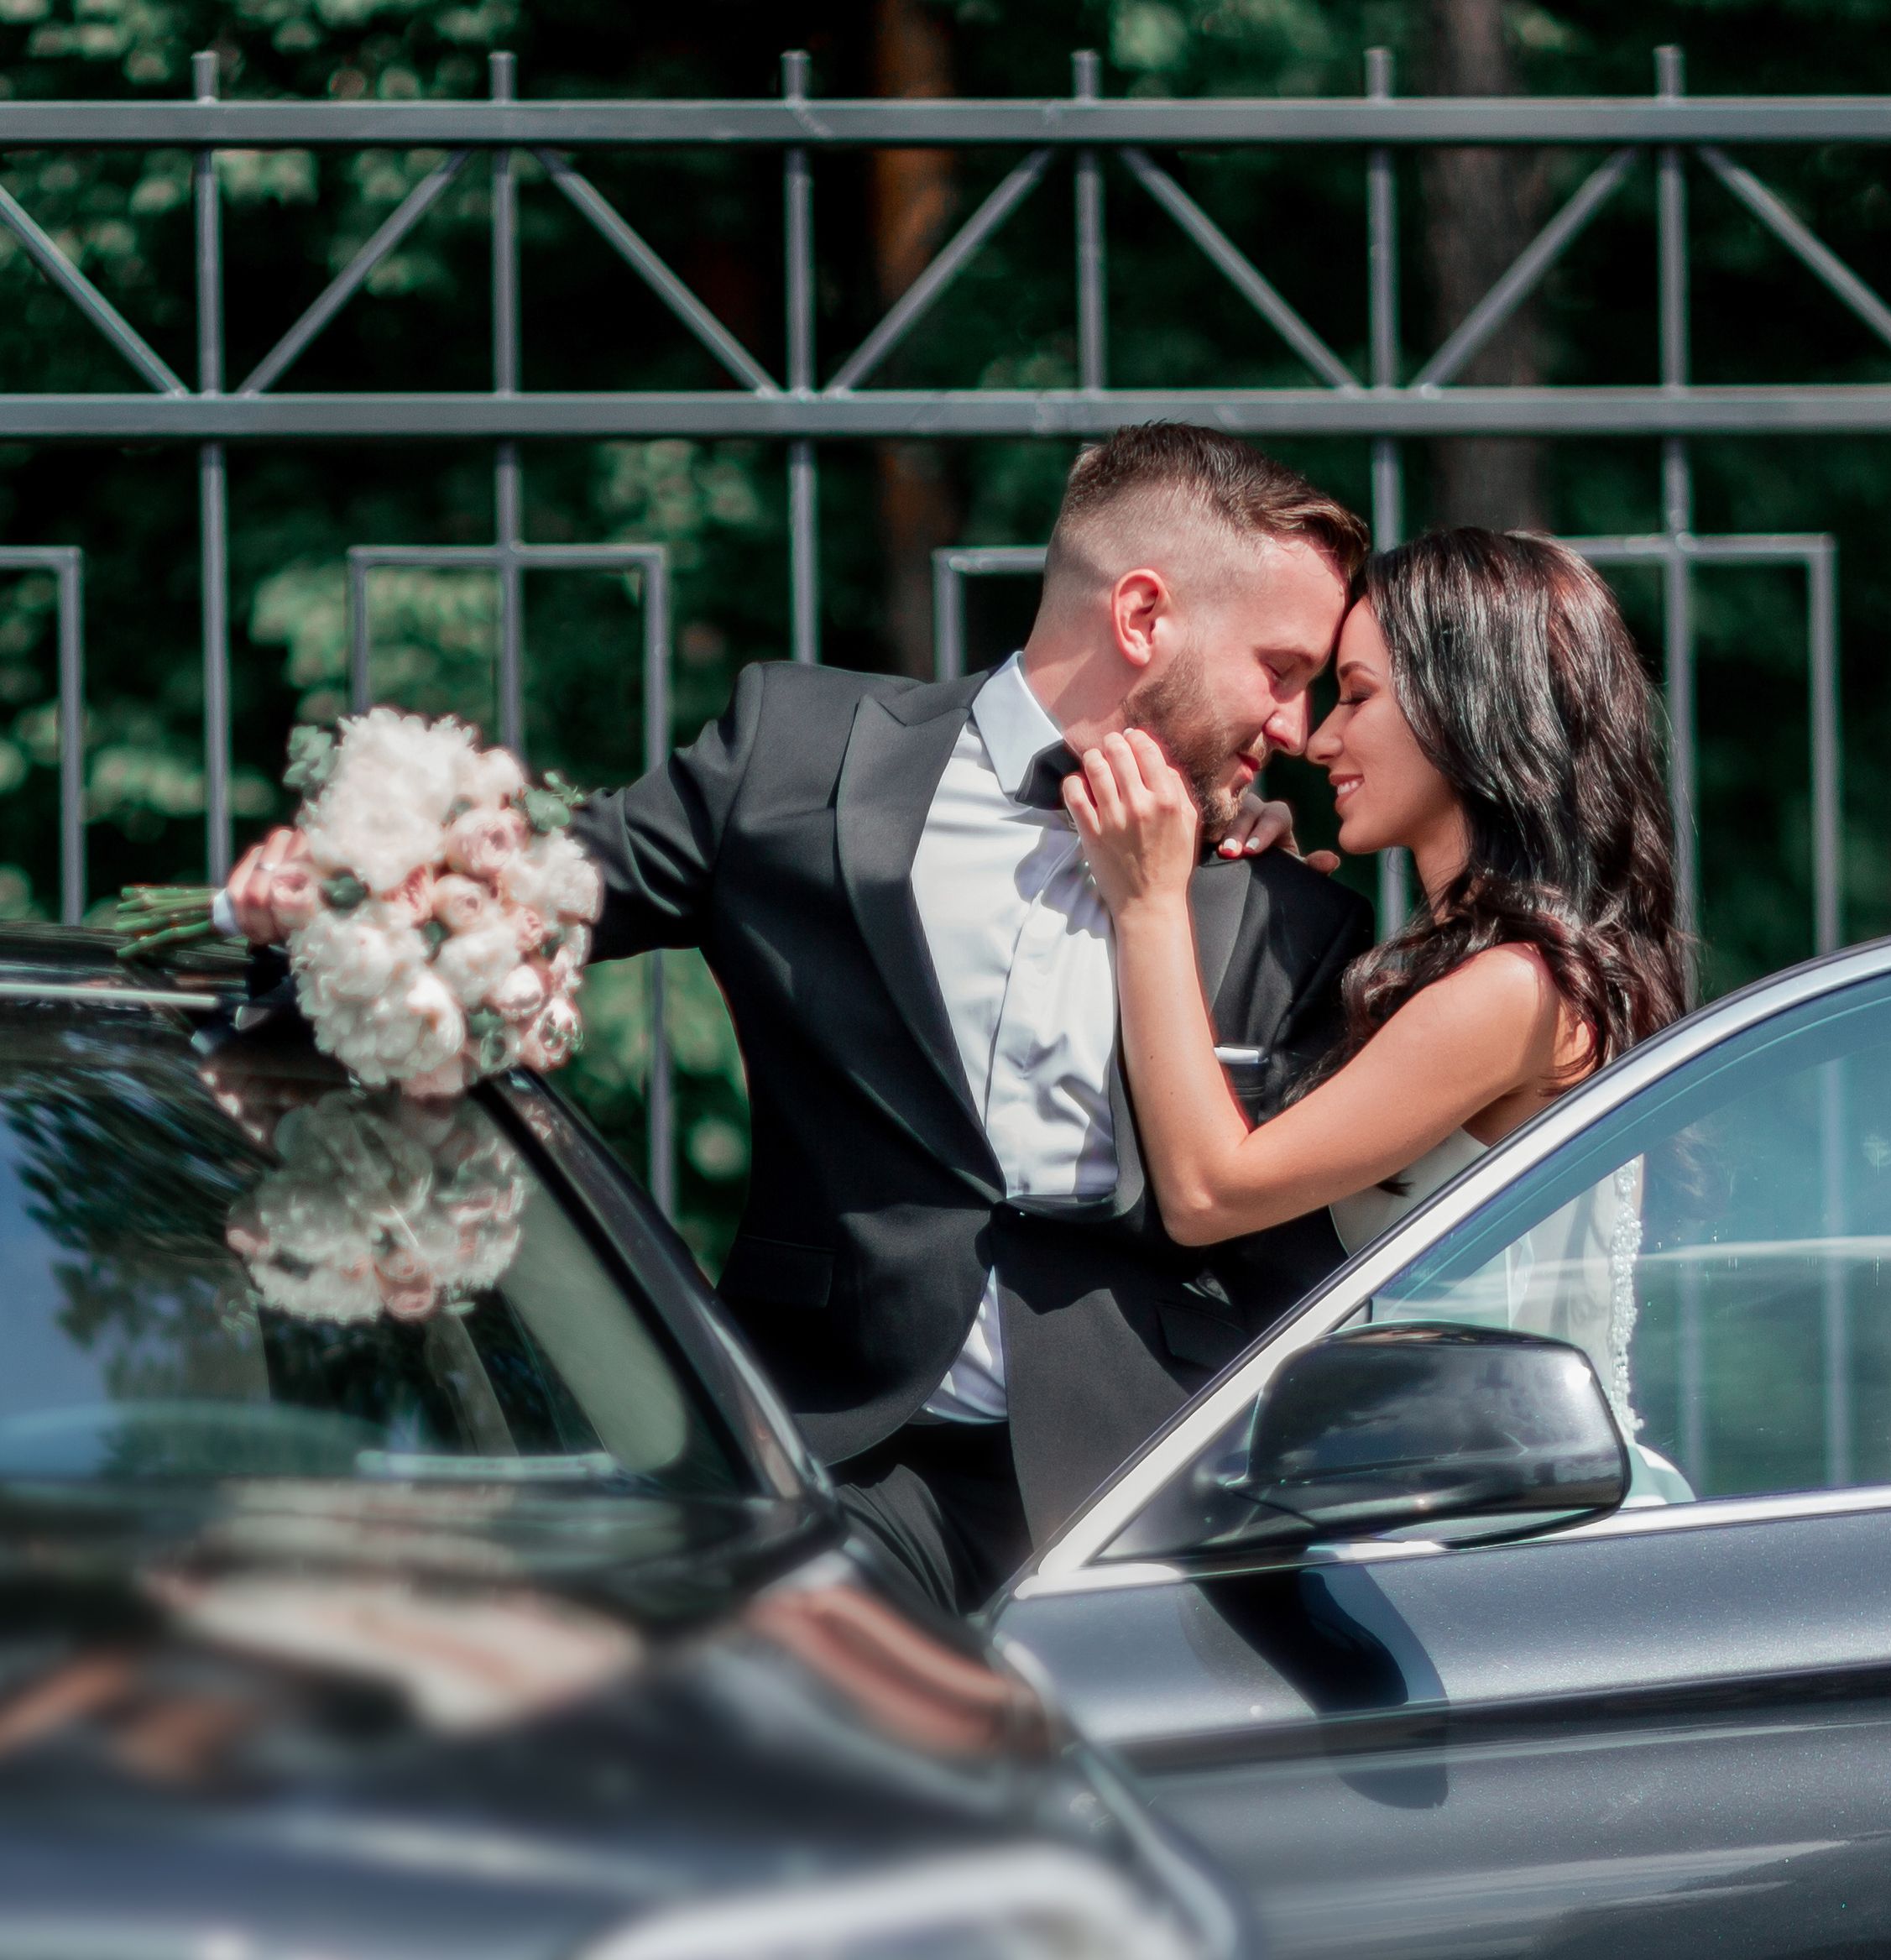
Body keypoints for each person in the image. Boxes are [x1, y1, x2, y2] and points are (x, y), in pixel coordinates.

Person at [222, 423, 1375, 1616]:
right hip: (827, 1453)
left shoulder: (1279, 905)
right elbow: (515, 905)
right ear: (1141, 616)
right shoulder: (794, 755)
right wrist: (309, 916)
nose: (1295, 728)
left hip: (1140, 1495)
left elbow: (1292, 1275)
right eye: (1279, 670)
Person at [1066, 526, 1690, 1480]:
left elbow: (1207, 1193)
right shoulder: (1507, 976)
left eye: (1357, 696)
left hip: (1510, 1524)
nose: (1318, 738)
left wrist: (1148, 903)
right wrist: (1261, 912)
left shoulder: (1515, 990)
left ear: (1468, 708)